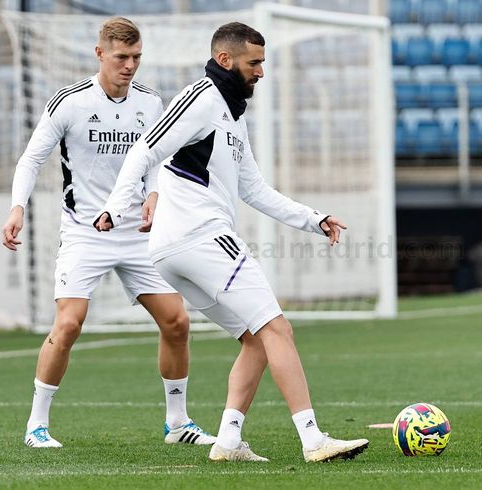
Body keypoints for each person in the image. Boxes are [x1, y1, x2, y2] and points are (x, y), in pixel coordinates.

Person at [94, 22, 370, 463]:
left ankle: (227, 441)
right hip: (199, 236)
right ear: (225, 60)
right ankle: (314, 440)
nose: (261, 71)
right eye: (254, 63)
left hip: (178, 248)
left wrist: (313, 219)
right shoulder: (200, 96)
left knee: (256, 338)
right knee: (278, 328)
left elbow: (255, 190)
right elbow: (144, 150)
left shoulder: (232, 114)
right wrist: (115, 205)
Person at [2, 17, 215, 448]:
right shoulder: (69, 102)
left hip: (137, 232)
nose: (130, 65)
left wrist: (154, 195)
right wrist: (17, 207)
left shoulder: (151, 103)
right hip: (85, 232)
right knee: (69, 324)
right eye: (122, 57)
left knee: (176, 321)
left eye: (137, 57)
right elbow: (31, 159)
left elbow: (157, 160)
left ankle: (177, 423)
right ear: (100, 54)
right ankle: (36, 426)